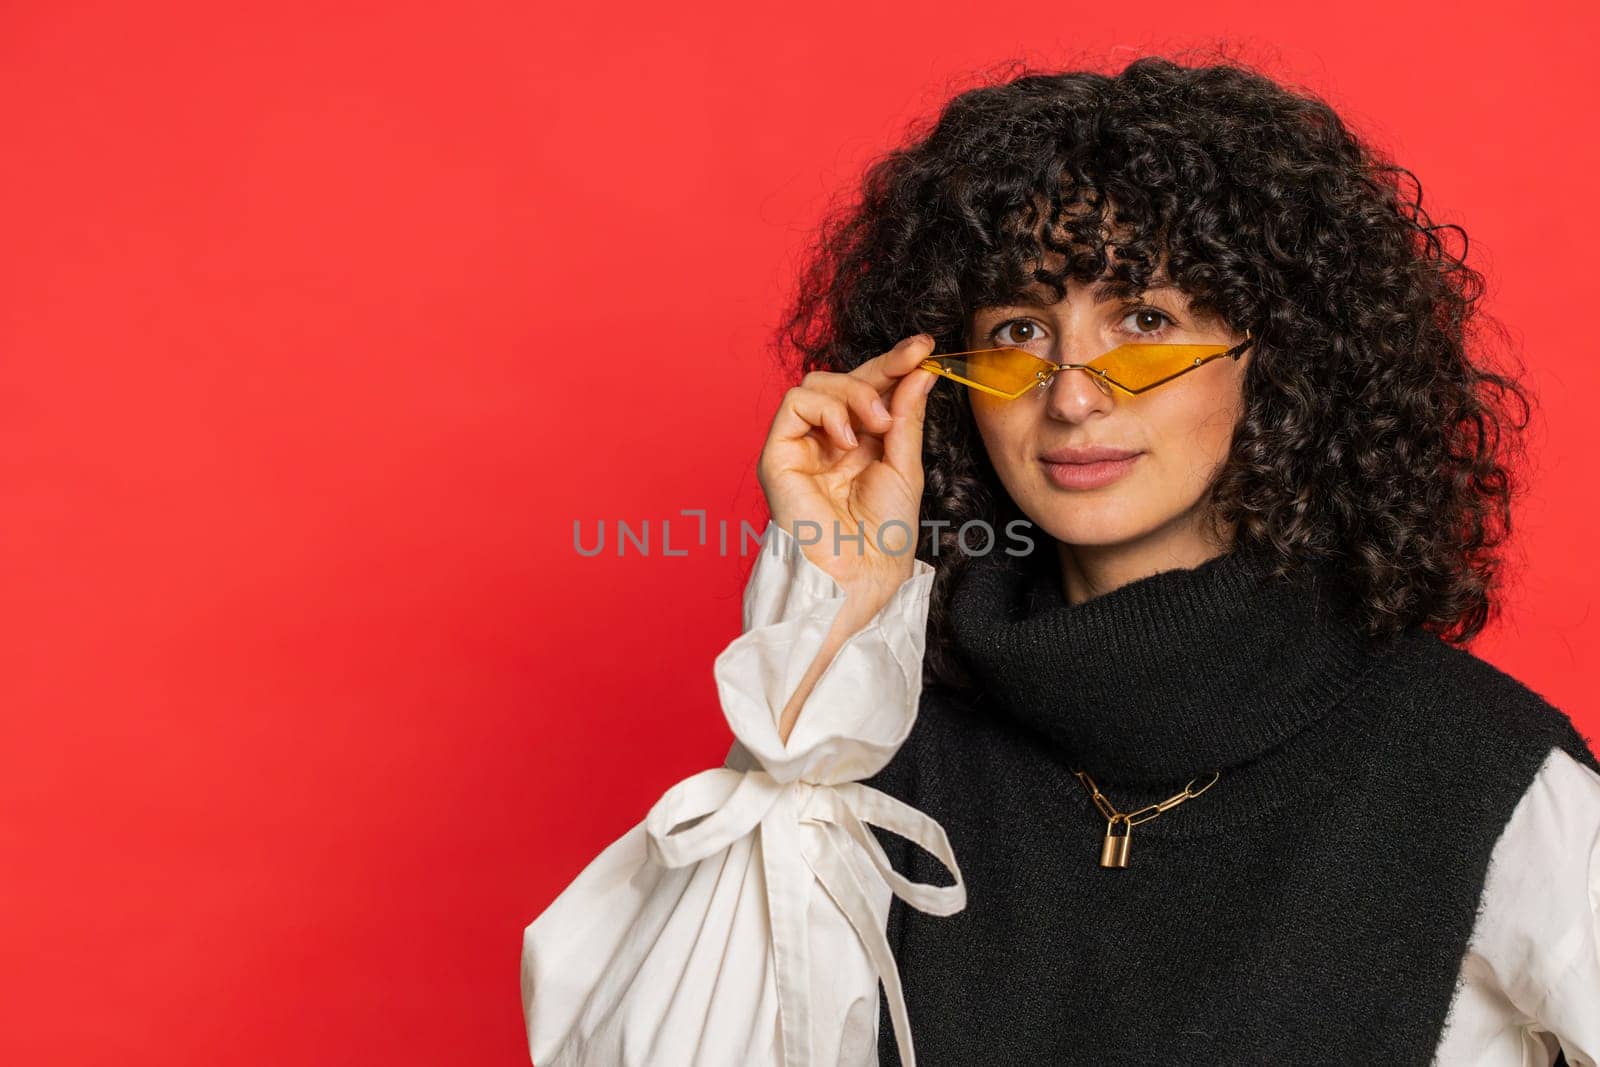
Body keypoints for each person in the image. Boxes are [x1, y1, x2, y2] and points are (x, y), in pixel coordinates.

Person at [523, 54, 1600, 1066]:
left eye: (1142, 317)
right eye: (1019, 330)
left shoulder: (1471, 766)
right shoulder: (871, 761)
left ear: (1279, 364)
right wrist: (838, 606)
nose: (1074, 392)